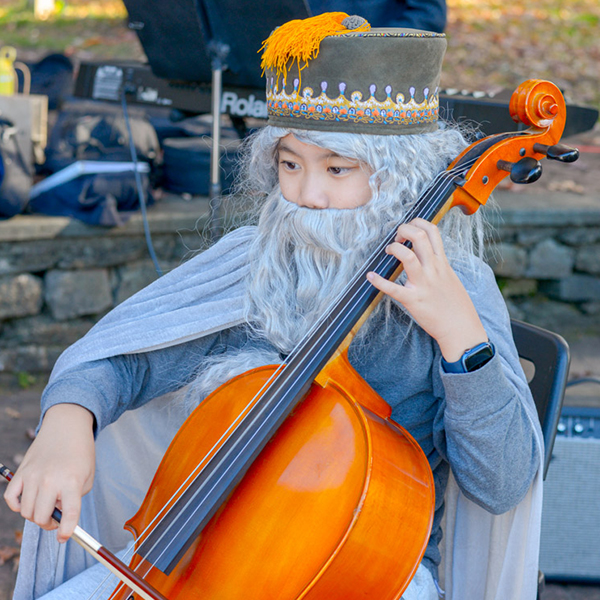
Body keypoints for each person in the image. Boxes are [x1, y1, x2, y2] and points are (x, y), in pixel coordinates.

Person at [4, 12, 543, 600]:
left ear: (403, 178)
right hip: (205, 546)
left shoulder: (454, 283)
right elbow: (128, 354)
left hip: (367, 569)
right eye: (291, 165)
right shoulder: (256, 258)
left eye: (338, 169)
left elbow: (502, 482)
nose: (308, 196)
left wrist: (461, 337)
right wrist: (67, 421)